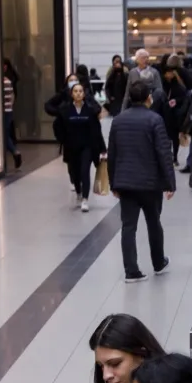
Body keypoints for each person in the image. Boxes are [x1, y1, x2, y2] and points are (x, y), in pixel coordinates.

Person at [107, 82, 175, 282]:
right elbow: (163, 153)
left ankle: (131, 271)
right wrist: (170, 182)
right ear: (148, 98)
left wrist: (114, 183)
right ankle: (158, 262)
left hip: (126, 183)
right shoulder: (155, 120)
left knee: (128, 227)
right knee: (154, 222)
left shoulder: (118, 121)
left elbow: (112, 154)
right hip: (149, 183)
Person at [48, 78, 105, 212]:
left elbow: (96, 130)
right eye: (76, 91)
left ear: (84, 94)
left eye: (80, 91)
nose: (78, 93)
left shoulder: (90, 110)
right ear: (72, 94)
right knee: (75, 173)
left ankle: (85, 199)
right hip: (71, 146)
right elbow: (57, 126)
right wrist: (62, 139)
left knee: (85, 171)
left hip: (87, 146)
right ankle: (79, 192)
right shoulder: (65, 110)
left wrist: (102, 148)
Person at [0, 59, 22, 169]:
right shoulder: (8, 80)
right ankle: (14, 152)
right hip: (9, 111)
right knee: (6, 133)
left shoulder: (2, 82)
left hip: (4, 112)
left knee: (3, 135)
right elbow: (12, 95)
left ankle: (14, 152)